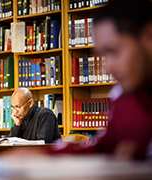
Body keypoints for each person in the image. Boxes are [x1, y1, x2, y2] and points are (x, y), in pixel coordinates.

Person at [50, 0, 152, 160]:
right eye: (103, 55)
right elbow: (105, 149)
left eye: (114, 51)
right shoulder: (124, 96)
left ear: (149, 36)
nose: (108, 67)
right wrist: (42, 156)